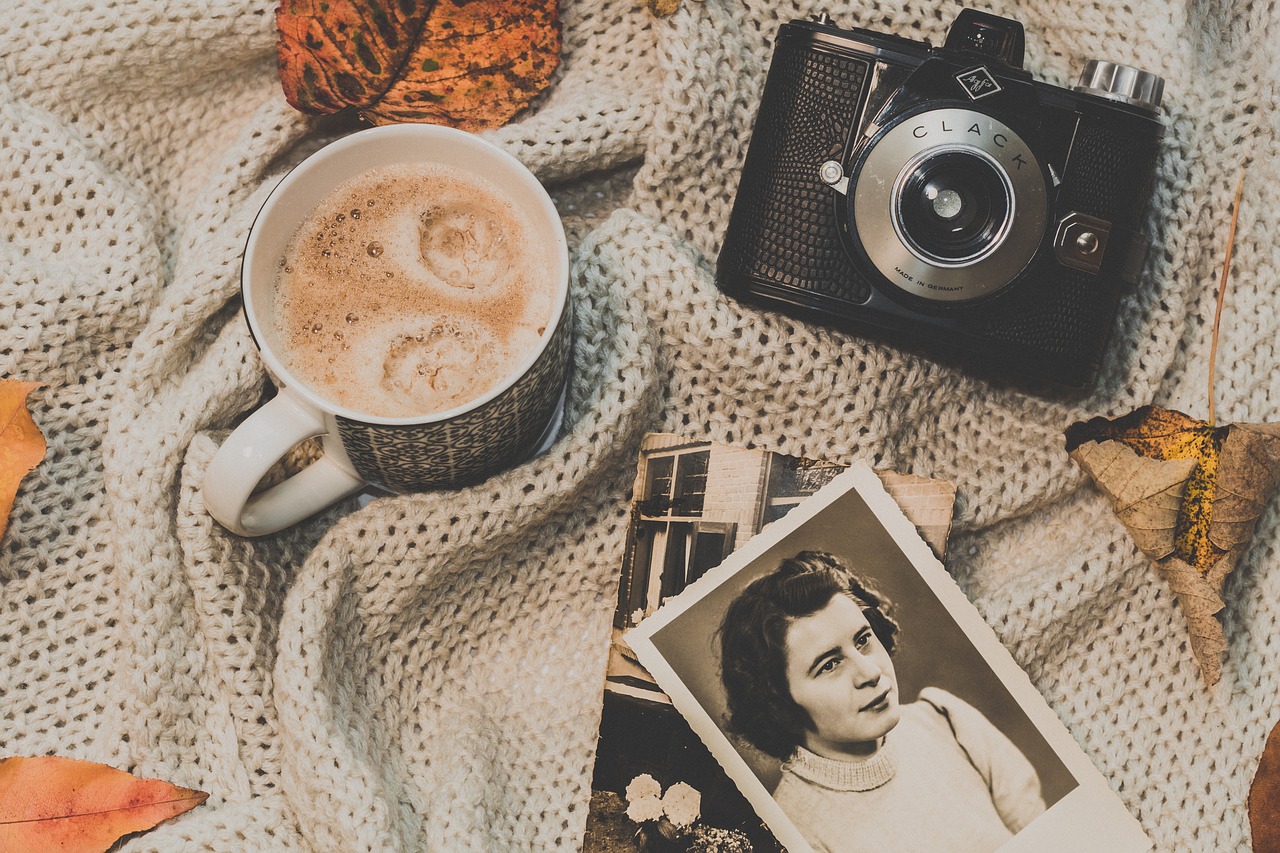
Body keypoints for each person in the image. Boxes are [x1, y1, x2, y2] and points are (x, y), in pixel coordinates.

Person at [718, 550, 1046, 853]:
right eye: (829, 665)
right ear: (778, 701)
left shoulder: (945, 720)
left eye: (862, 640)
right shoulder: (793, 834)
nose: (870, 671)